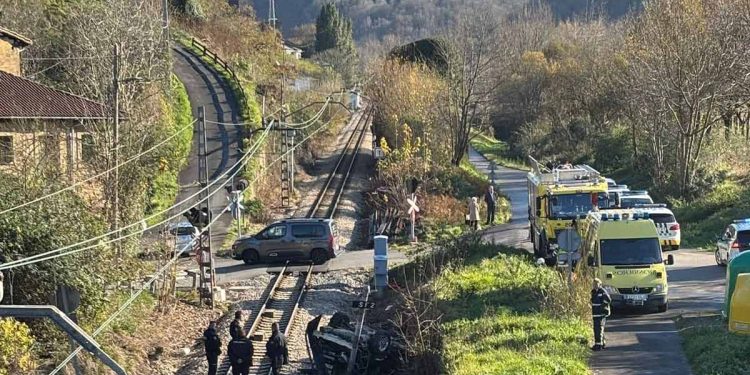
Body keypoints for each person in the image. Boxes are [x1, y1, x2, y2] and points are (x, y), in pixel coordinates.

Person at [591, 278, 612, 351]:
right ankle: (601, 343)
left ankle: (598, 345)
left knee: (599, 329)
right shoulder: (593, 292)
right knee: (597, 329)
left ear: (600, 284)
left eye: (596, 284)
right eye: (594, 284)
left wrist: (602, 306)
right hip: (595, 313)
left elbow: (608, 300)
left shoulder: (602, 291)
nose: (595, 285)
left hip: (601, 314)